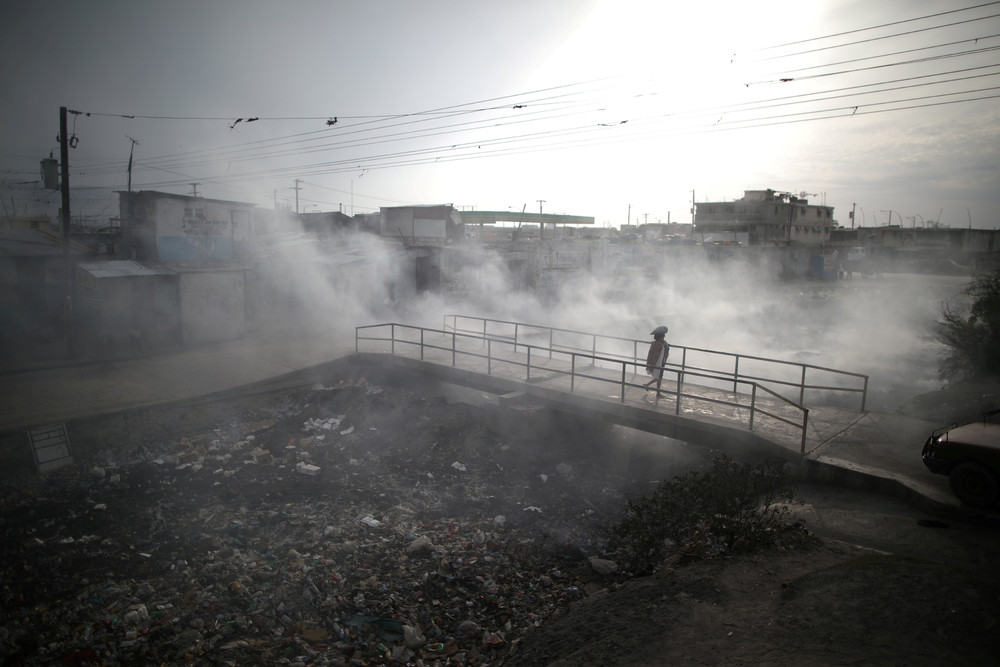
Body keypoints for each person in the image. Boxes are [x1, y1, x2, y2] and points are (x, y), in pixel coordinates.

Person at [643, 326, 670, 401]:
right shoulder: (658, 344)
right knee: (658, 377)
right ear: (660, 336)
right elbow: (655, 355)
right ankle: (649, 387)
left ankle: (653, 389)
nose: (664, 337)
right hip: (658, 363)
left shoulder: (658, 343)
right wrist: (652, 364)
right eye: (663, 335)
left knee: (659, 377)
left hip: (660, 362)